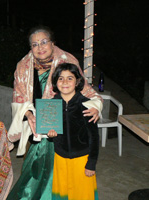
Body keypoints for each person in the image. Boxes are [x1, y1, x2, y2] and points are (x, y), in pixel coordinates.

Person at [7, 25, 102, 200]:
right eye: (35, 44)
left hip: (65, 128)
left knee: (59, 172)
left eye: (44, 42)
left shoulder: (68, 61)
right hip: (36, 124)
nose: (40, 47)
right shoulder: (23, 66)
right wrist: (28, 115)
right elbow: (18, 96)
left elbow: (87, 91)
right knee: (34, 168)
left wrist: (95, 106)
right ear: (30, 48)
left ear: (52, 43)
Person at [47, 63, 99, 200]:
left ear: (78, 81)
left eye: (70, 78)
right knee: (63, 193)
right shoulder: (51, 105)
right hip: (60, 158)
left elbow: (94, 137)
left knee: (82, 194)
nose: (65, 82)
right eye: (60, 78)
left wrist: (91, 163)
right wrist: (50, 135)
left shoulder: (87, 105)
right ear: (55, 82)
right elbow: (51, 134)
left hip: (82, 159)